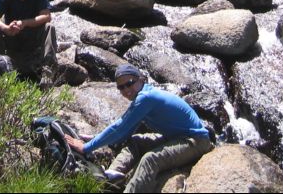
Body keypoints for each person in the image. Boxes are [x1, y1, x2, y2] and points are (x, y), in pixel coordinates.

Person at [65, 64, 213, 193]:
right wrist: (95, 139)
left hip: (195, 141)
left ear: (140, 79)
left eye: (129, 83)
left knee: (150, 159)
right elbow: (126, 130)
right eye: (121, 87)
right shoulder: (142, 97)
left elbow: (120, 127)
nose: (126, 90)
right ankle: (111, 177)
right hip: (174, 137)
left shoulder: (146, 98)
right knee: (136, 141)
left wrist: (86, 148)